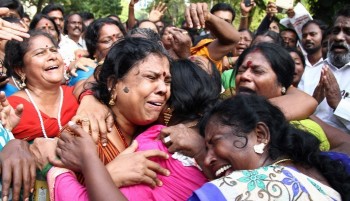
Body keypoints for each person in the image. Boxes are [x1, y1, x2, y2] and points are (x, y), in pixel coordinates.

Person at [189, 94, 350, 200]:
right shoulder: (324, 169)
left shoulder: (234, 190)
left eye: (215, 142)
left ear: (260, 135)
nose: (207, 159)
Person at [311, 6, 350, 133]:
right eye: (336, 30)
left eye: (348, 32)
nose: (339, 38)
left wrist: (339, 105)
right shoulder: (311, 70)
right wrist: (311, 103)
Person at [68, 18, 126, 86]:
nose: (116, 43)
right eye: (107, 40)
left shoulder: (132, 64)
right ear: (94, 50)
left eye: (120, 37)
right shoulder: (85, 71)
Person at [298, 20, 328, 96]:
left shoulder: (329, 65)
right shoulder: (298, 63)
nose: (307, 38)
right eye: (304, 35)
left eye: (313, 34)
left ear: (323, 36)